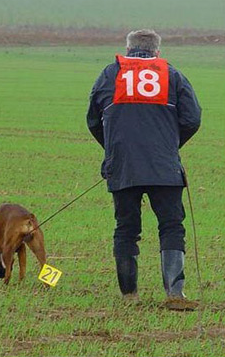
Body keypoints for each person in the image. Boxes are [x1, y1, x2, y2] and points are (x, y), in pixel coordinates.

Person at [86, 29, 201, 310]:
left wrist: (114, 150)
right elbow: (192, 118)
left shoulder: (109, 75)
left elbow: (93, 120)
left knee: (126, 229)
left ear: (127, 50)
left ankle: (129, 295)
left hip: (122, 166)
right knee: (171, 226)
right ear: (157, 52)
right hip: (164, 167)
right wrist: (170, 147)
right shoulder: (172, 75)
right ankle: (175, 294)